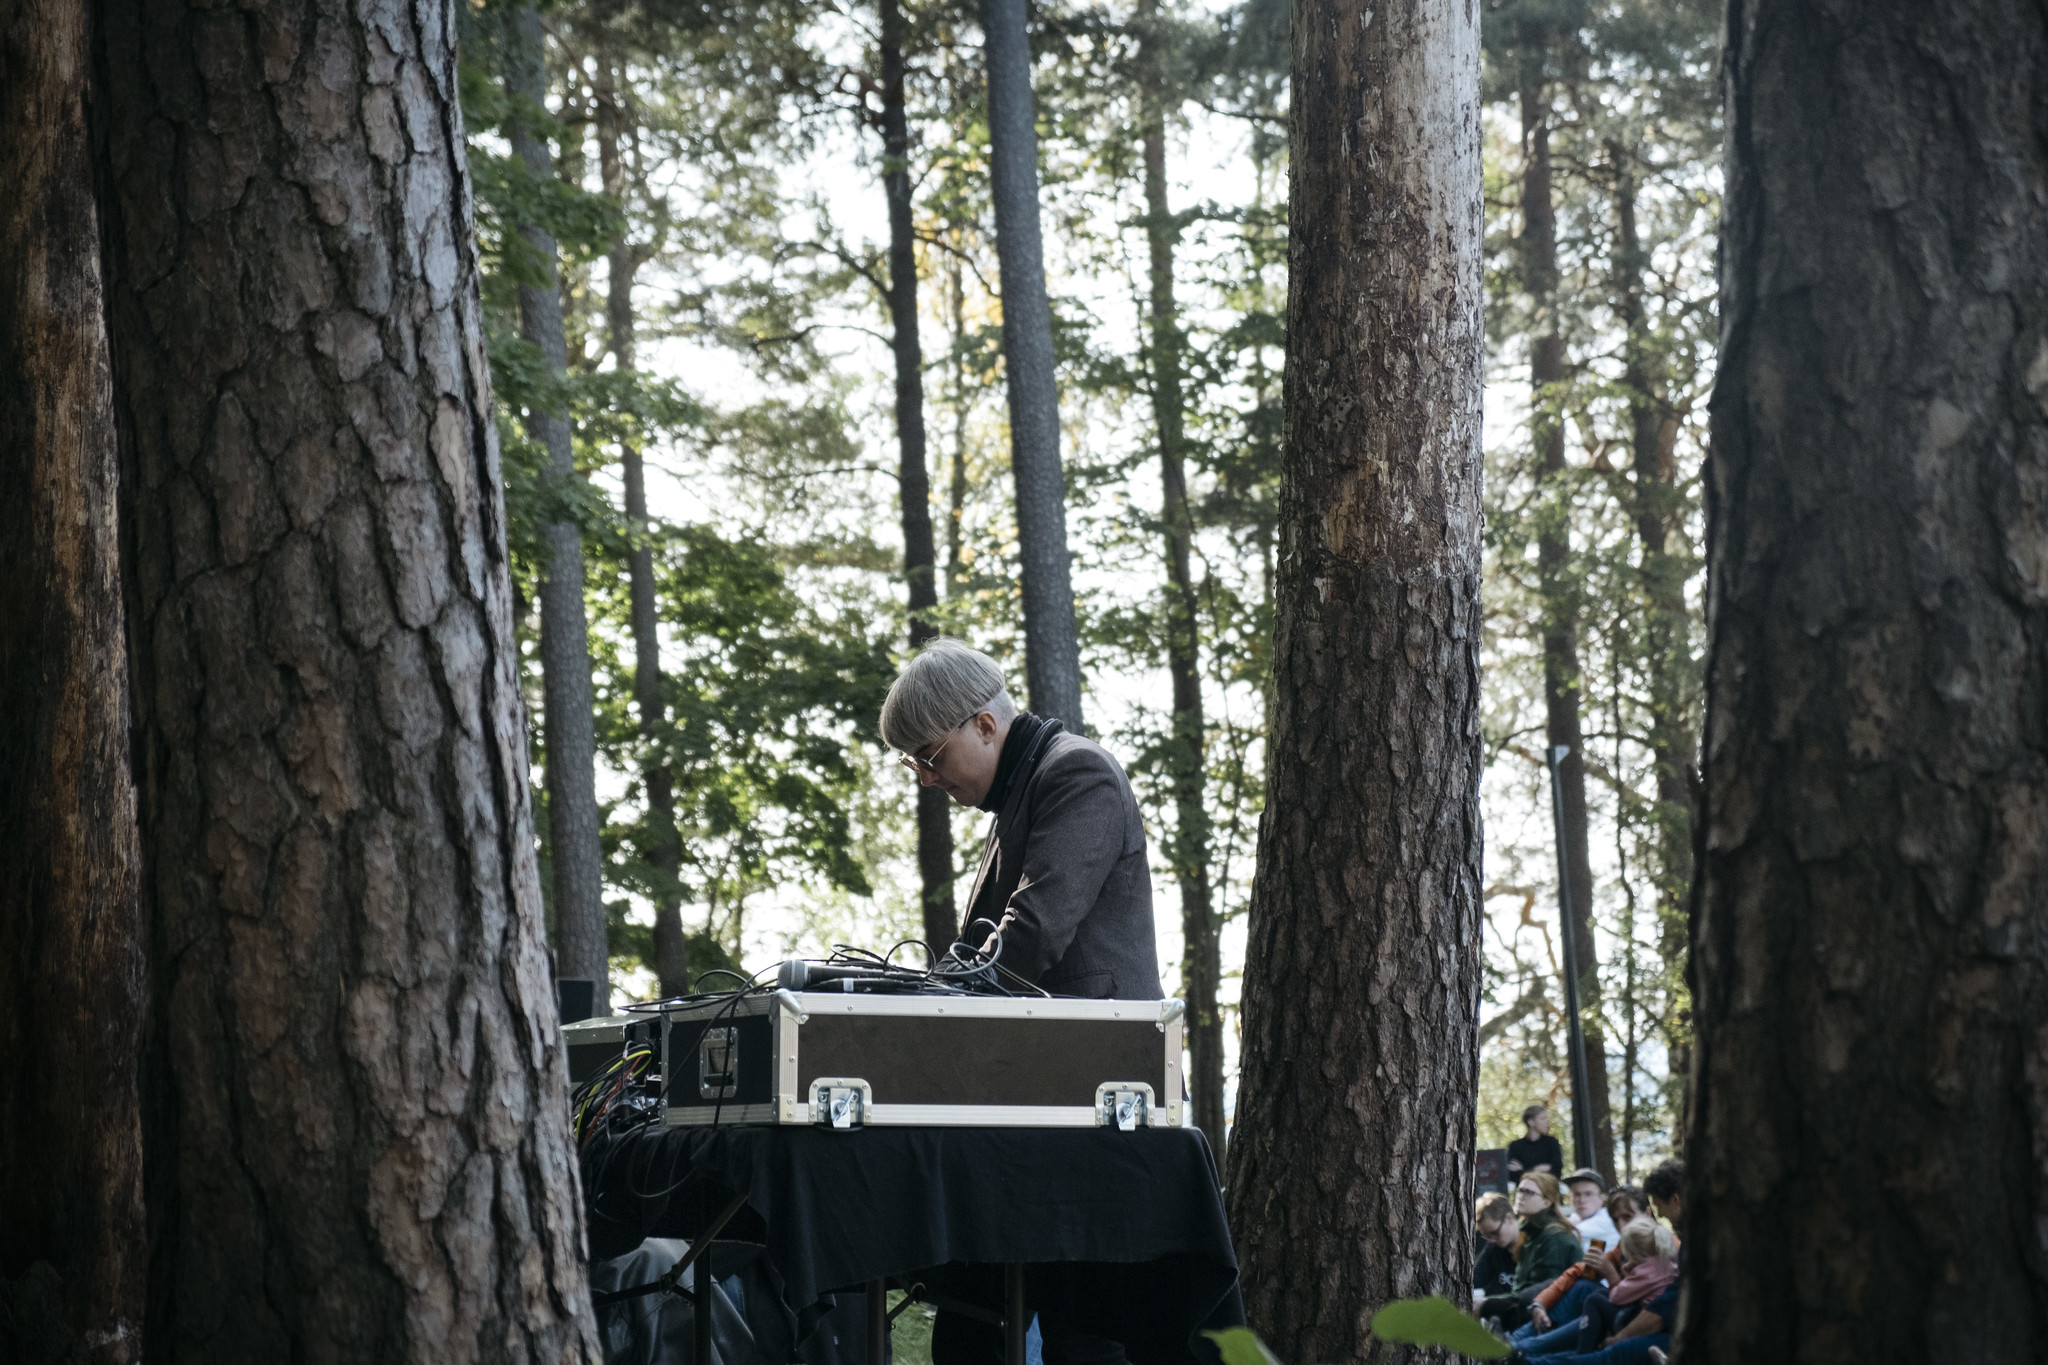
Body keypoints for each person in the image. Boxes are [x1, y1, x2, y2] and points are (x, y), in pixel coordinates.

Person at [880, 639, 1161, 999]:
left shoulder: (1079, 774)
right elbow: (972, 950)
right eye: (914, 764)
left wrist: (936, 1001)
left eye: (930, 756)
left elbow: (1034, 930)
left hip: (1104, 1045)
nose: (926, 777)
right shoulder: (1015, 794)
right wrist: (903, 993)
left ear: (984, 726)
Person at [1479, 1173, 1581, 1331]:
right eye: (1519, 1191)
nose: (1521, 1196)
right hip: (1526, 1304)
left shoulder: (1555, 1236)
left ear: (1547, 1202)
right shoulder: (1529, 1233)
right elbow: (1519, 1291)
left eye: (1529, 1193)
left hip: (1551, 1315)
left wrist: (1488, 1303)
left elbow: (1543, 1292)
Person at [1562, 1168, 1621, 1259]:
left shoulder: (1606, 1219)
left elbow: (1561, 1235)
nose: (1582, 1200)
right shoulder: (1577, 1218)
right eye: (1577, 1194)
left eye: (1588, 1194)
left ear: (1602, 1198)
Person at [1473, 1192, 1519, 1305]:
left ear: (1509, 1218)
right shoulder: (1494, 1247)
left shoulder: (1534, 1244)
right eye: (1487, 1236)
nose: (1492, 1240)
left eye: (1494, 1233)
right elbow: (1476, 1281)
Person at [1507, 1104, 1565, 1180]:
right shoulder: (1515, 1146)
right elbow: (1513, 1176)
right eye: (1543, 1118)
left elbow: (1556, 1173)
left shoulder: (1551, 1143)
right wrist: (1538, 1169)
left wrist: (1523, 1170)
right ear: (1531, 1122)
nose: (1547, 1122)